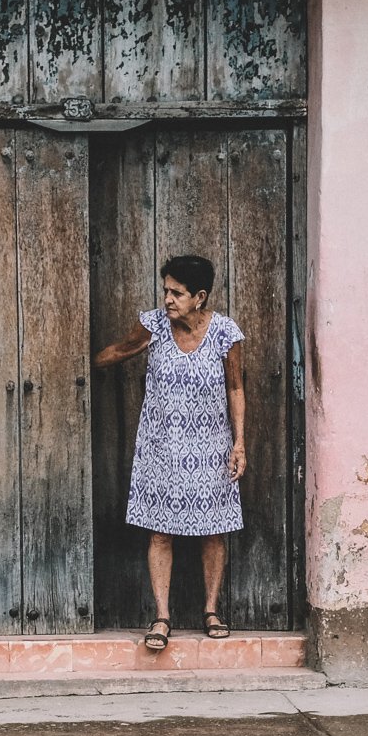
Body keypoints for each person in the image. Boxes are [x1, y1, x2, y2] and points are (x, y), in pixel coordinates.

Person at [93, 255, 247, 651]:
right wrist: (98, 359)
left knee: (214, 531)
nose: (168, 299)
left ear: (199, 297)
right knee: (159, 531)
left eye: (176, 293)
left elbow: (235, 389)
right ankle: (162, 616)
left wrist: (239, 442)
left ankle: (211, 611)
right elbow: (115, 352)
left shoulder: (226, 333)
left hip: (211, 444)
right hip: (160, 446)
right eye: (165, 290)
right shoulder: (153, 326)